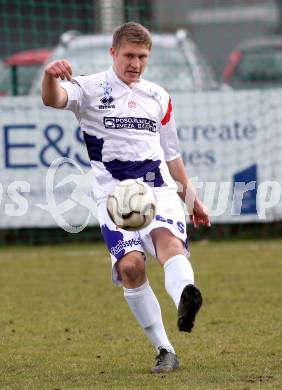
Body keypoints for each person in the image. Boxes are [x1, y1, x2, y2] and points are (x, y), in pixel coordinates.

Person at [41, 22, 210, 373]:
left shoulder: (159, 96)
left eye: (142, 57)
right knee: (131, 267)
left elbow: (172, 154)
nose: (135, 63)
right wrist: (49, 77)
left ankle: (185, 299)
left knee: (170, 247)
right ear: (113, 53)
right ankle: (165, 349)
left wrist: (191, 198)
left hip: (158, 190)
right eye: (129, 55)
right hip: (113, 198)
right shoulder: (88, 88)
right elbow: (53, 98)